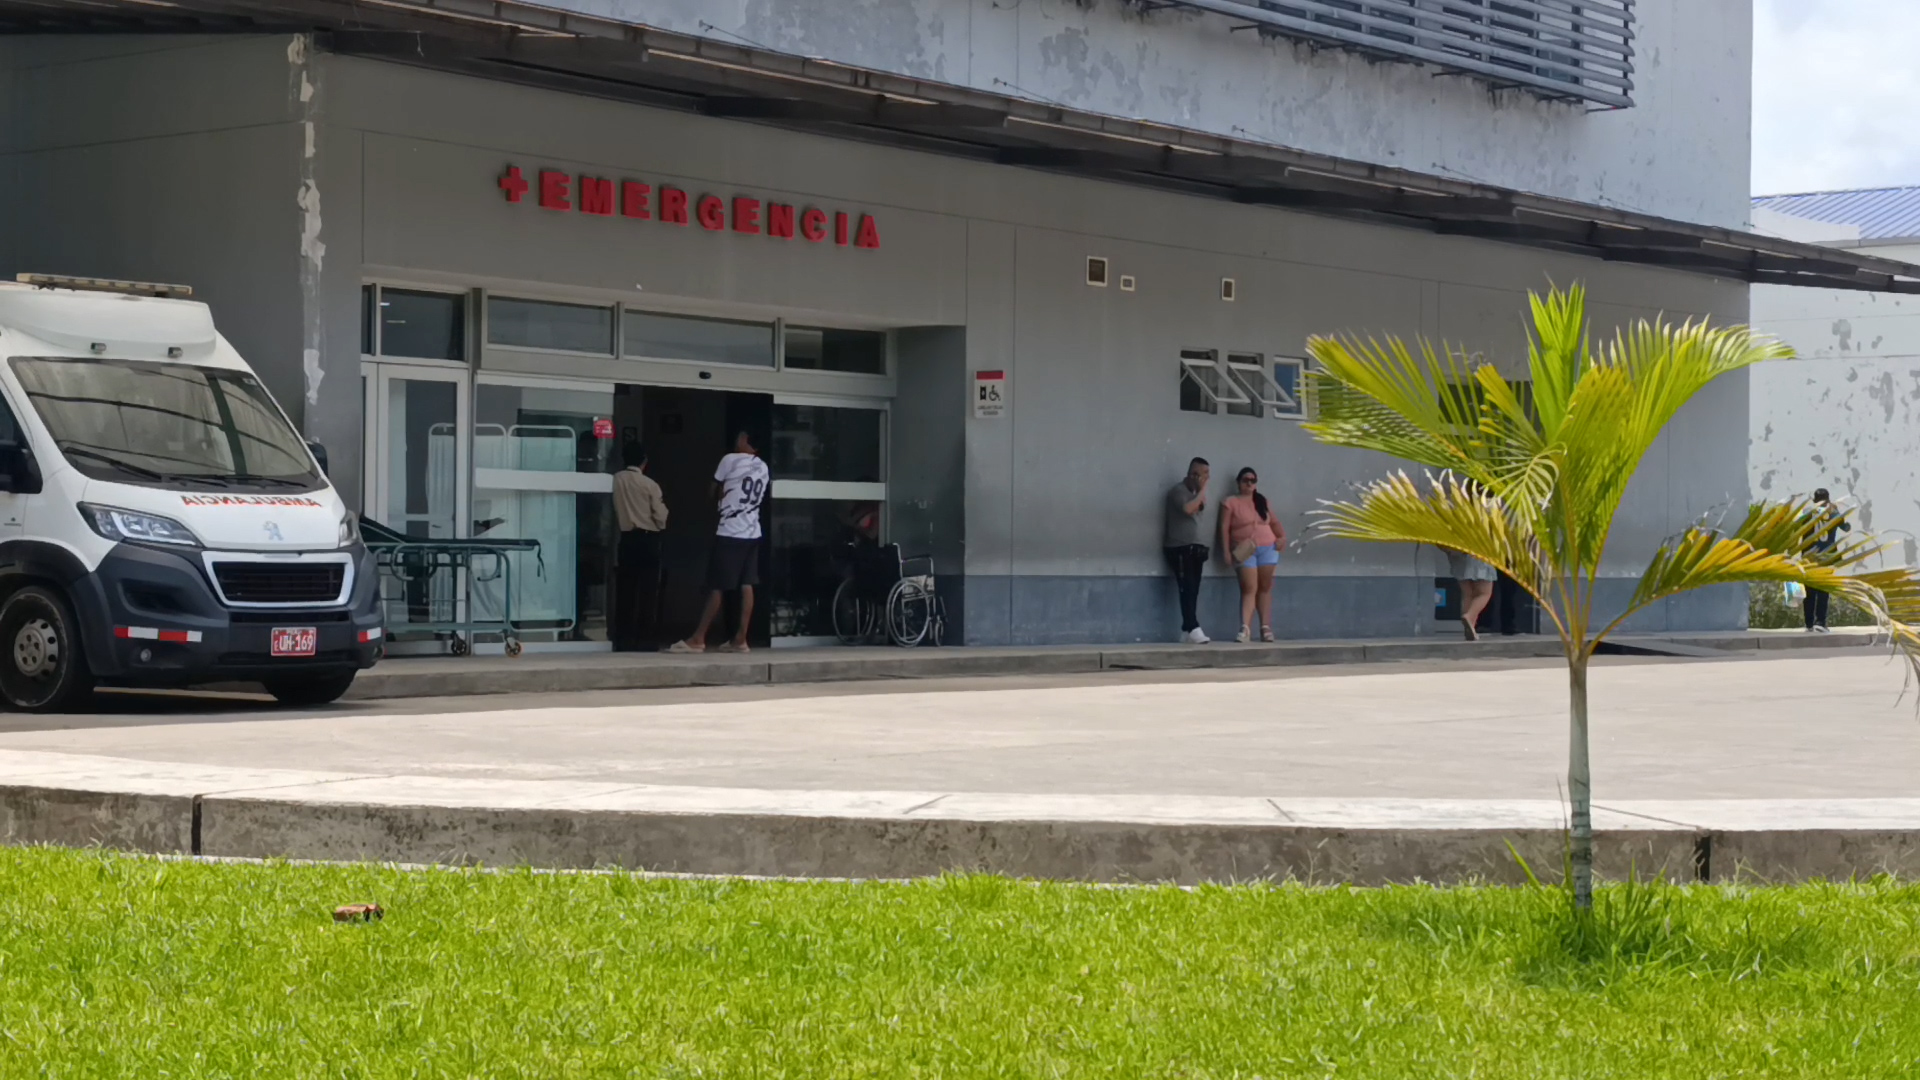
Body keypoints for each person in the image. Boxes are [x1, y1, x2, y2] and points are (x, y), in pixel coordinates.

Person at [670, 431, 769, 654]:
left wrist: (721, 495)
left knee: (717, 586)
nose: (737, 440)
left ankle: (698, 638)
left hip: (730, 531)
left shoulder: (730, 460)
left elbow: (713, 490)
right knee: (747, 584)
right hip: (752, 530)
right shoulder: (762, 467)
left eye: (740, 437)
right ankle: (740, 639)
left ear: (745, 440)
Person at [610, 442, 667, 651]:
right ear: (644, 461)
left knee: (625, 591)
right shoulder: (650, 485)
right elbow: (661, 518)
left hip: (627, 539)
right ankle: (645, 639)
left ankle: (623, 639)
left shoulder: (616, 480)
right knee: (648, 592)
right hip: (648, 539)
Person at [1218, 467, 1284, 643]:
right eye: (1245, 480)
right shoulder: (1230, 502)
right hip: (1245, 548)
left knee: (1265, 586)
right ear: (1238, 482)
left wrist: (1282, 538)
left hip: (1267, 546)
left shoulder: (1261, 501)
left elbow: (1274, 522)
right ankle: (1245, 627)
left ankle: (1265, 627)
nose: (1249, 484)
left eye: (1252, 480)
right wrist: (1226, 551)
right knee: (1249, 587)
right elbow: (1224, 528)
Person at [1163, 457, 1212, 644]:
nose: (1207, 479)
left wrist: (1200, 491)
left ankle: (1186, 629)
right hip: (1180, 547)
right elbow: (1188, 509)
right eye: (1203, 475)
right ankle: (1193, 626)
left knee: (1194, 588)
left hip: (1195, 547)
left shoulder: (1196, 493)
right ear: (1193, 474)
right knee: (1187, 587)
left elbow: (1200, 506)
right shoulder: (1178, 491)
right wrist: (1203, 489)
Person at [1803, 487, 1851, 633]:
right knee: (1823, 590)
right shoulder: (1833, 512)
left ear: (1815, 500)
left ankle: (1809, 624)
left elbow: (1796, 529)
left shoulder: (1807, 512)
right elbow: (1846, 528)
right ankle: (1820, 622)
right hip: (1827, 556)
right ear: (1828, 499)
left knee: (1809, 591)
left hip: (1809, 556)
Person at [1444, 547, 1497, 641]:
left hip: (1458, 556)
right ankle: (1470, 616)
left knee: (1467, 594)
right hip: (1478, 553)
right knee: (1484, 593)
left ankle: (1469, 628)